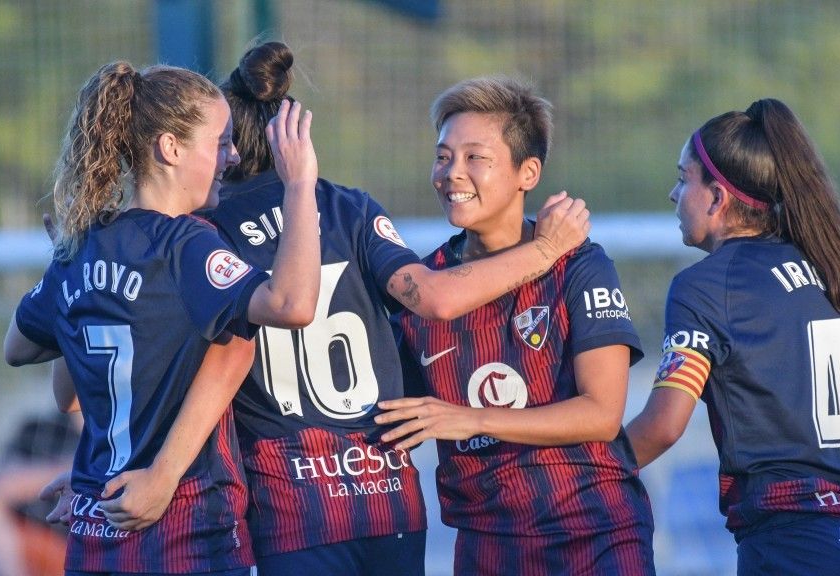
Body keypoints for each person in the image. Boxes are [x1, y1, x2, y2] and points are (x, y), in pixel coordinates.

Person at [203, 42, 592, 575]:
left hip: (294, 508)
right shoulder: (348, 207)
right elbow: (432, 297)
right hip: (387, 499)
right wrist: (546, 248)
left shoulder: (204, 234)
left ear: (226, 147)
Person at [3, 60, 323, 575]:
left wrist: (64, 266)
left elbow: (21, 352)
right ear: (171, 148)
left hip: (94, 522)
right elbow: (292, 305)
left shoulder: (83, 246)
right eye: (220, 142)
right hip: (185, 530)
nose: (232, 155)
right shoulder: (186, 242)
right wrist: (300, 186)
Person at [375, 75, 655, 576]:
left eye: (474, 158)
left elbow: (601, 415)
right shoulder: (423, 288)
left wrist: (474, 418)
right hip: (488, 543)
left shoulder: (580, 265)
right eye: (443, 157)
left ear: (528, 172)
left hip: (595, 532)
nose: (451, 174)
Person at [624, 98, 840, 575]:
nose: (674, 194)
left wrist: (580, 473)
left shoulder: (705, 285)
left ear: (717, 198)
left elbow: (665, 425)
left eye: (682, 178)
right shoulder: (825, 269)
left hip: (798, 541)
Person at [0, 412, 81, 576]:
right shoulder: (37, 429)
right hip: (23, 543)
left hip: (80, 547)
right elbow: (0, 487)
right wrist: (68, 468)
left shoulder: (120, 438)